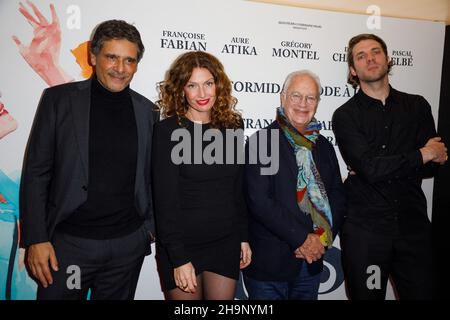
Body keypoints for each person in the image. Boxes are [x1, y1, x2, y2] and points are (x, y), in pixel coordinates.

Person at [20, 19, 157, 300]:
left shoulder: (147, 111)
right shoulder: (59, 100)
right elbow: (37, 172)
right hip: (69, 248)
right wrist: (36, 238)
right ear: (93, 57)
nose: (121, 68)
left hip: (126, 248)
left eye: (129, 60)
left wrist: (148, 231)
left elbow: (152, 175)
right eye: (112, 57)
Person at [332, 34, 447, 300]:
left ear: (388, 59)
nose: (370, 58)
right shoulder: (345, 115)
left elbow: (433, 167)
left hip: (413, 230)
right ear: (353, 69)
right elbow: (371, 168)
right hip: (366, 235)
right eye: (361, 56)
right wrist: (422, 154)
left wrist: (417, 159)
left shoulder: (417, 106)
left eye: (376, 52)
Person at [152, 51, 251, 300]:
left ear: (218, 85)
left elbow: (237, 189)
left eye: (208, 83)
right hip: (183, 246)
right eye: (192, 86)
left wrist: (243, 237)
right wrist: (178, 258)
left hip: (225, 241)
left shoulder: (233, 127)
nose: (202, 94)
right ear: (181, 90)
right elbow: (165, 202)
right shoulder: (168, 131)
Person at [243, 70, 346, 300]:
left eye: (310, 98)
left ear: (317, 103)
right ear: (282, 98)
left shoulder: (324, 147)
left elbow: (338, 196)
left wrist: (321, 239)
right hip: (269, 267)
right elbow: (260, 201)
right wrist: (301, 239)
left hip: (310, 266)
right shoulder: (262, 142)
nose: (303, 104)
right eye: (296, 96)